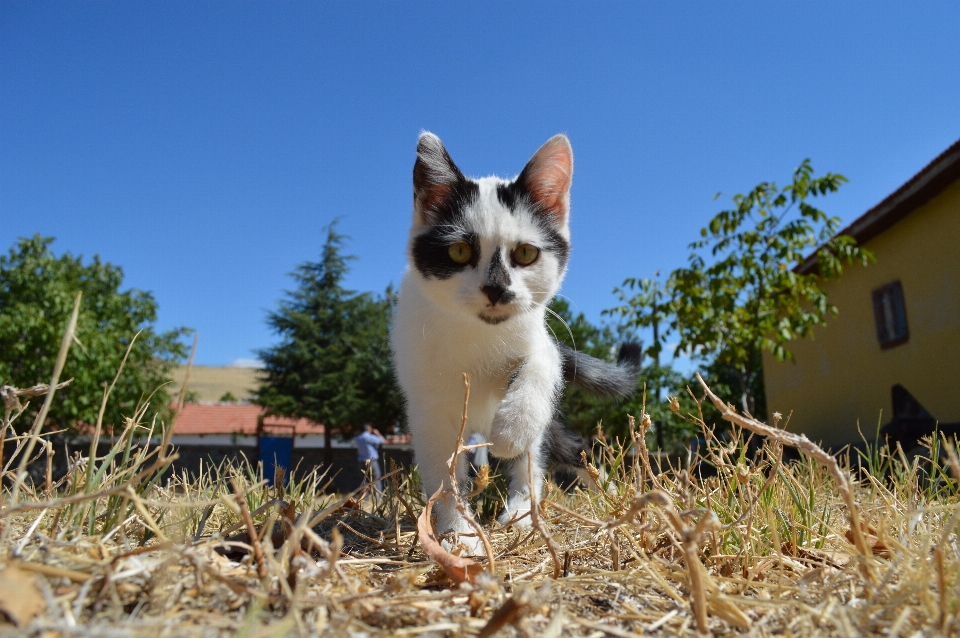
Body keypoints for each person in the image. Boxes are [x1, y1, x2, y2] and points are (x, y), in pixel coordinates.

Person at [355, 424, 386, 492]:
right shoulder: (369, 437)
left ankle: (364, 498)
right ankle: (378, 497)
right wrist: (377, 433)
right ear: (369, 429)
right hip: (372, 461)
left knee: (364, 480)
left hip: (362, 461)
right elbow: (382, 441)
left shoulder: (358, 438)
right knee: (376, 479)